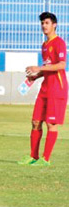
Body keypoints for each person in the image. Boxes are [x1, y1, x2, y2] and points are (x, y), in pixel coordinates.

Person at [18, 12, 67, 166]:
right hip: (45, 87)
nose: (44, 26)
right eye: (42, 23)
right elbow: (48, 68)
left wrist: (37, 67)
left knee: (51, 124)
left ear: (54, 25)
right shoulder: (44, 45)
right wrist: (36, 76)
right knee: (35, 121)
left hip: (57, 88)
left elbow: (61, 65)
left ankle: (45, 159)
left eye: (46, 23)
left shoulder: (59, 42)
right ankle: (33, 156)